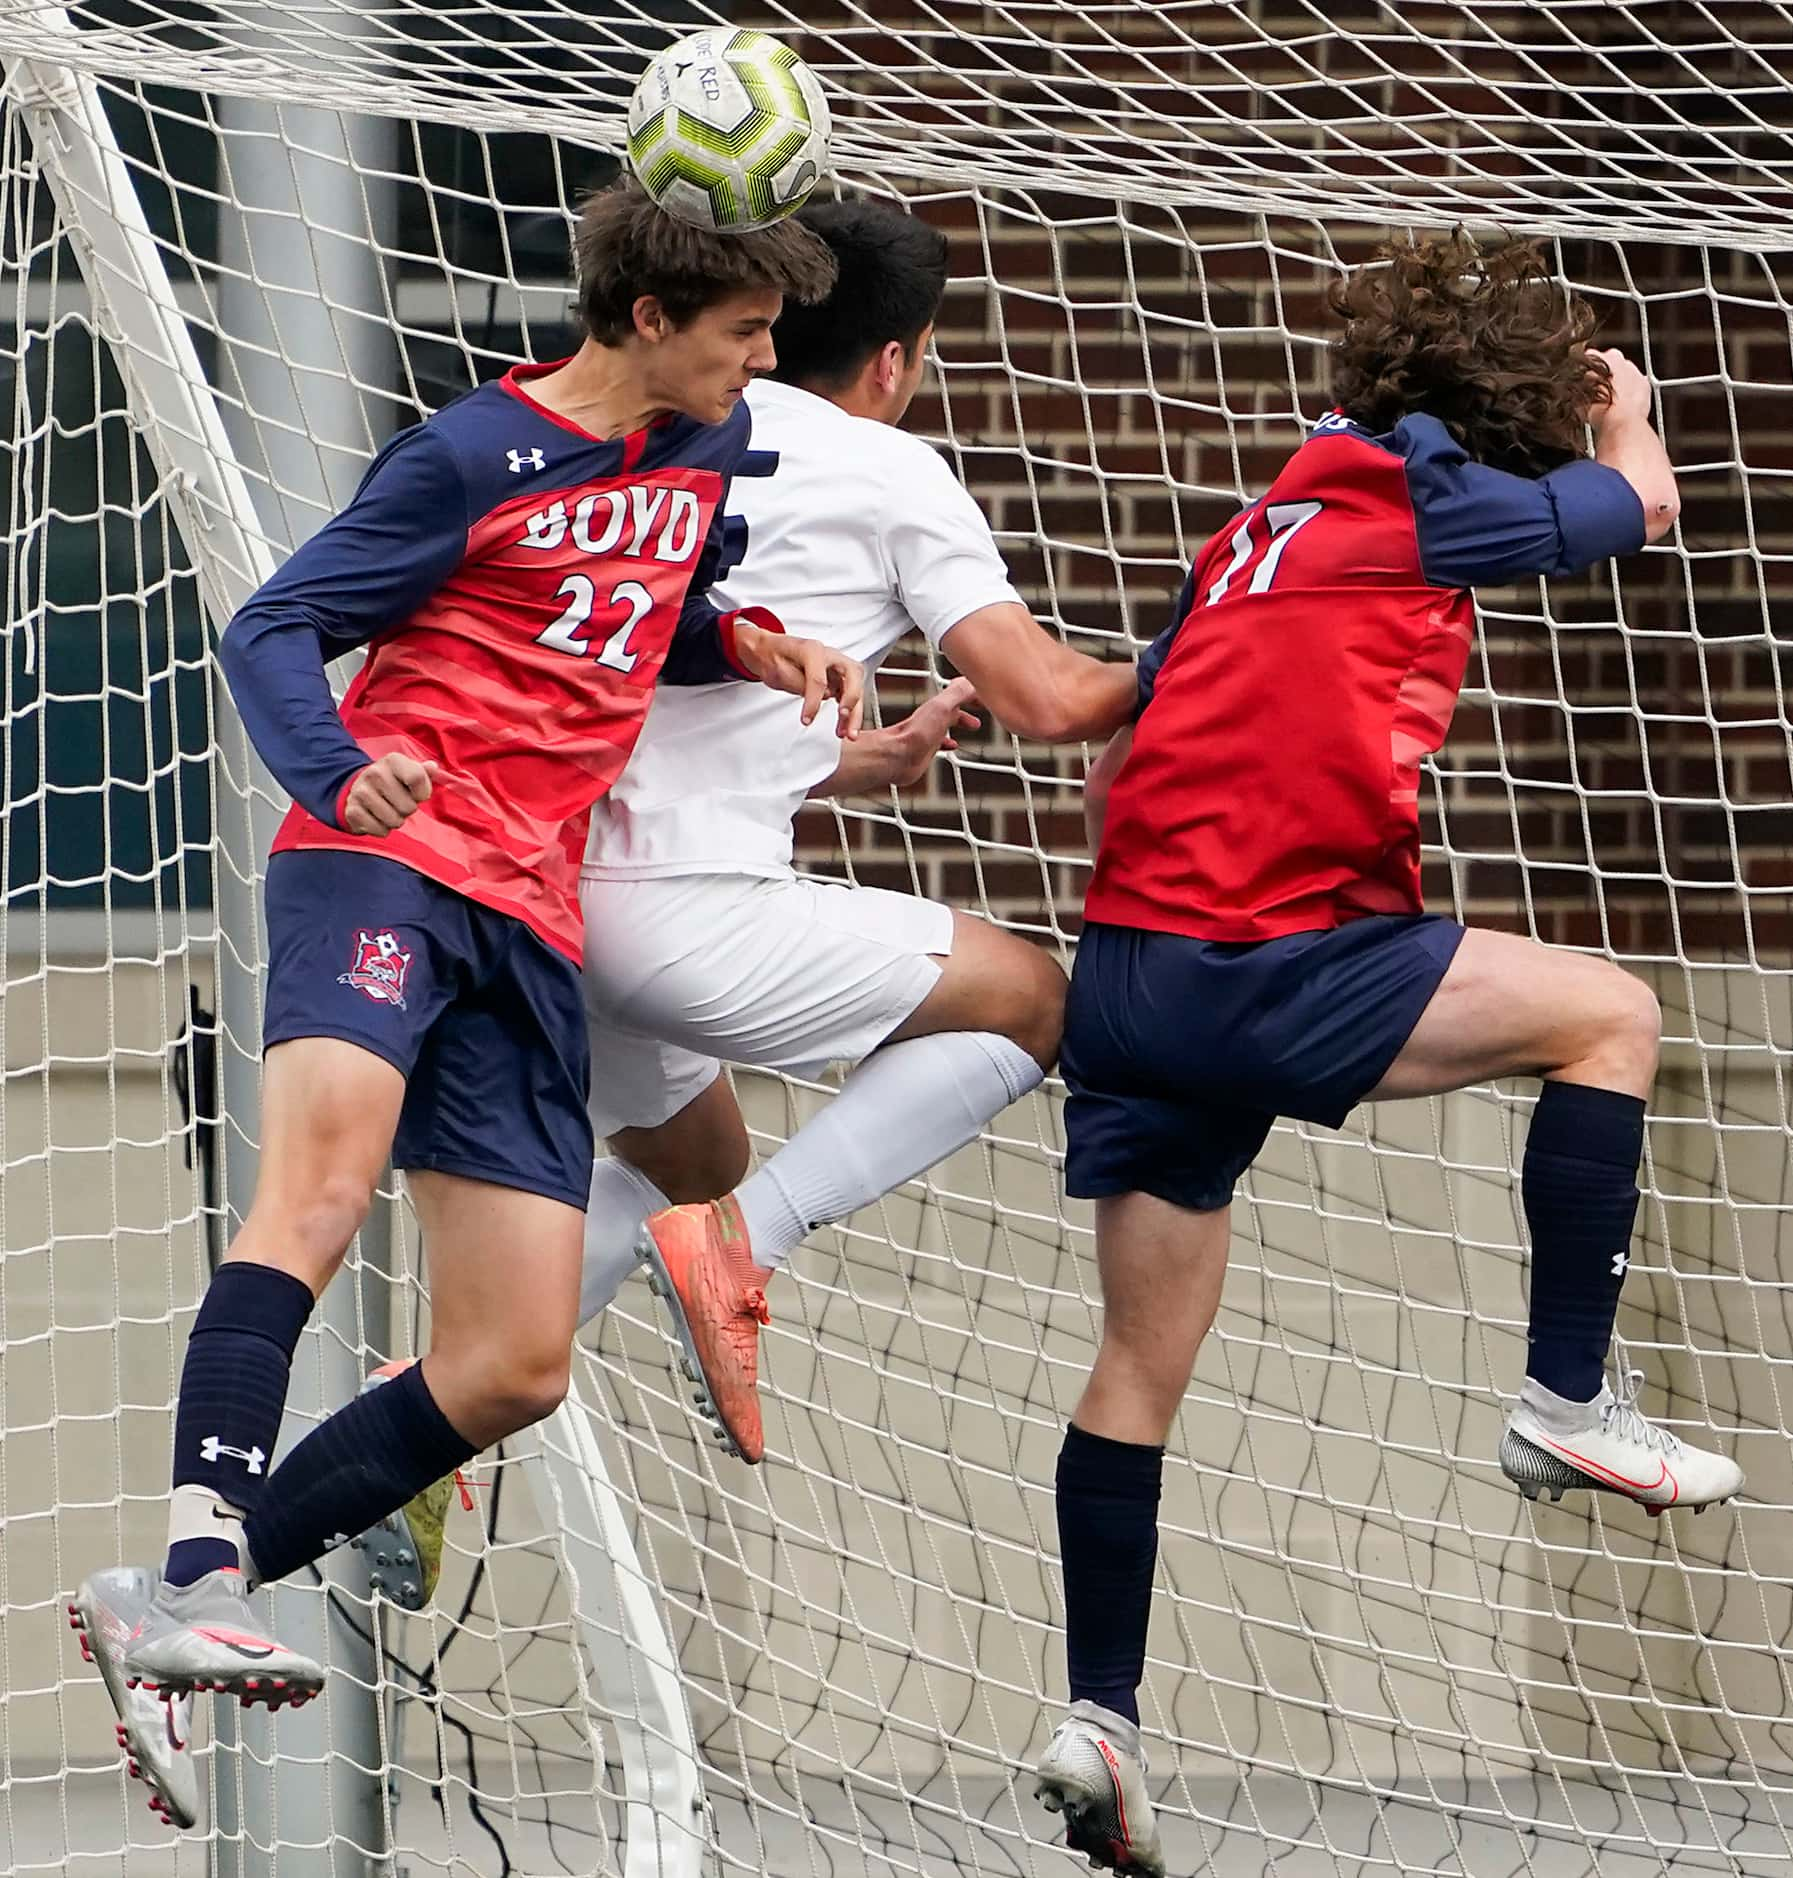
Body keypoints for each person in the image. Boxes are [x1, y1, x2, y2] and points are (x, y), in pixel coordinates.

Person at [67, 179, 862, 1830]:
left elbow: (646, 614)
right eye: (743, 330)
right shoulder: (469, 457)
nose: (765, 357)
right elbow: (274, 623)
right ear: (646, 321)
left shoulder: (702, 450)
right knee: (322, 1185)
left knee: (511, 1362)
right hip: (385, 861)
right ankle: (205, 1530)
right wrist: (345, 773)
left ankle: (169, 1601)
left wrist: (756, 648)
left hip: (527, 915)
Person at [1030, 231, 1743, 1878]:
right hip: (1262, 961)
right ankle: (1564, 1394)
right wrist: (1624, 420)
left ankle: (1100, 1717)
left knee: (1138, 1361)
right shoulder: (1420, 498)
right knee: (1608, 1013)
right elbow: (1637, 510)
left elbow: (1120, 751)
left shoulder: (1262, 512)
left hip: (1130, 971)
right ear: (1494, 419)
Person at [571, 194, 1141, 1466]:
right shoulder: (892, 468)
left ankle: (410, 1410)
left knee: (697, 1161)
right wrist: (1210, 648)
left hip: (549, 896)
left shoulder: (656, 420)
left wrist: (849, 760)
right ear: (894, 359)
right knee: (1036, 1001)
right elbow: (1044, 697)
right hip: (682, 915)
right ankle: (744, 1257)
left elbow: (661, 695)